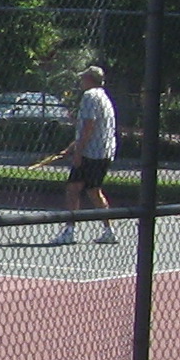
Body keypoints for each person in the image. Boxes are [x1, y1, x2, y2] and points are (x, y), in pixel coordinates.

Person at [50, 64, 118, 245]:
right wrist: (71, 147)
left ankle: (69, 231)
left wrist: (78, 153)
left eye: (83, 78)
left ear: (89, 80)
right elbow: (89, 130)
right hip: (104, 152)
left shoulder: (89, 96)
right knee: (94, 191)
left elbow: (89, 126)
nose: (81, 81)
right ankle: (109, 231)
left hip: (91, 153)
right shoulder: (104, 97)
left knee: (73, 189)